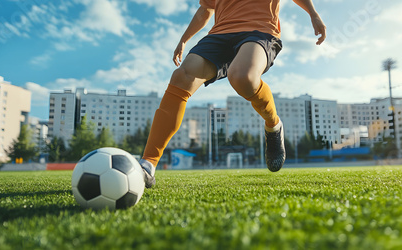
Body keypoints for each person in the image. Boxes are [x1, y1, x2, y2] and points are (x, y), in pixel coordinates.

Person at [139, 0, 326, 187]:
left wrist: (313, 13)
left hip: (259, 31)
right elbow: (205, 9)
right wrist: (183, 40)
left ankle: (273, 124)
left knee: (242, 77)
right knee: (182, 76)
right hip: (219, 35)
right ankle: (148, 164)